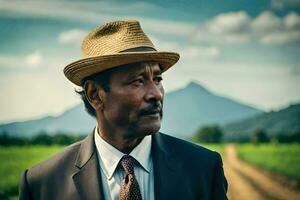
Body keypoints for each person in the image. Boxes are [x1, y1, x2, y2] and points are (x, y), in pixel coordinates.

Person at [19, 20, 228, 200]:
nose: (156, 94)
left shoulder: (203, 168)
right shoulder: (42, 183)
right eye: (138, 81)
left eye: (158, 79)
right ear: (95, 94)